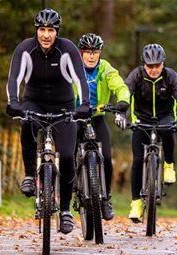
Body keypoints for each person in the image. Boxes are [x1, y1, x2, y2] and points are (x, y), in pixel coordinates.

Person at [5, 8, 90, 234]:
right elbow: (14, 77)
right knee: (26, 122)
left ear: (56, 32)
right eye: (42, 30)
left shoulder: (67, 49)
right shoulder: (25, 49)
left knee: (68, 154)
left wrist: (84, 105)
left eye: (50, 30)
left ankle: (64, 211)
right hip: (34, 102)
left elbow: (81, 79)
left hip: (64, 106)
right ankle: (31, 176)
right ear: (37, 31)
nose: (46, 35)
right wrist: (13, 101)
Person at [125, 44, 177, 222]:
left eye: (157, 65)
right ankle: (136, 202)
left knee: (168, 131)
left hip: (165, 116)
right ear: (144, 65)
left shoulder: (170, 76)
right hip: (142, 118)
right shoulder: (136, 75)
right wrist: (122, 114)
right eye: (149, 66)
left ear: (163, 64)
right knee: (137, 160)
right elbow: (125, 93)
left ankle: (168, 164)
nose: (153, 70)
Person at [75, 33, 130, 221]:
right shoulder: (73, 66)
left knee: (106, 157)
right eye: (88, 52)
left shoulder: (105, 68)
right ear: (81, 52)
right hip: (74, 118)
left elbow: (119, 84)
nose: (91, 56)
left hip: (97, 117)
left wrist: (123, 100)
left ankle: (105, 198)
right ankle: (73, 188)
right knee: (69, 153)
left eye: (95, 52)